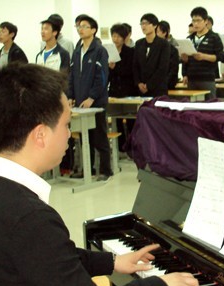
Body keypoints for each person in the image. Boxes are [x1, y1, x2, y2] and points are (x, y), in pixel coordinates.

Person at [0, 64, 206, 286]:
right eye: (66, 124)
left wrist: (111, 262)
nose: (68, 134)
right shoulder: (29, 217)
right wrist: (162, 285)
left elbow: (51, 259)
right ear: (40, 135)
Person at [68, 14, 112, 181]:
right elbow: (72, 76)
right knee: (84, 137)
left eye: (85, 26)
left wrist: (92, 98)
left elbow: (102, 77)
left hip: (96, 102)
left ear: (93, 30)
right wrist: (71, 96)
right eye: (79, 26)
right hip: (80, 101)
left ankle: (106, 170)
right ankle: (89, 169)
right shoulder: (77, 51)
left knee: (99, 136)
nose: (81, 29)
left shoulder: (100, 51)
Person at [181, 6, 224, 99]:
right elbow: (185, 62)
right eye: (193, 21)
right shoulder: (189, 38)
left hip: (207, 79)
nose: (196, 24)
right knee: (192, 106)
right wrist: (184, 73)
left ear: (206, 21)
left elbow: (220, 56)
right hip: (191, 79)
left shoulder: (214, 37)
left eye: (198, 21)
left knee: (210, 104)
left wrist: (204, 56)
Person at [109, 23, 137, 152]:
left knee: (131, 121)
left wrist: (115, 67)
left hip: (128, 90)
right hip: (114, 90)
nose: (115, 39)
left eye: (118, 36)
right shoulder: (109, 52)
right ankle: (120, 148)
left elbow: (130, 71)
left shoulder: (130, 52)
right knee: (117, 121)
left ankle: (132, 147)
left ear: (124, 38)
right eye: (113, 36)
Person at [133, 13, 170, 97]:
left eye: (146, 23)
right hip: (141, 89)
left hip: (158, 88)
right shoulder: (139, 43)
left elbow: (162, 68)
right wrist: (138, 83)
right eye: (142, 24)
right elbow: (135, 65)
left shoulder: (163, 44)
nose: (143, 26)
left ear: (155, 25)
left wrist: (149, 85)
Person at [156, 20, 180, 89]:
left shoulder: (172, 49)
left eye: (157, 32)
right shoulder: (154, 47)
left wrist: (164, 82)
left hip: (167, 84)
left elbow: (173, 70)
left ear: (164, 33)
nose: (155, 34)